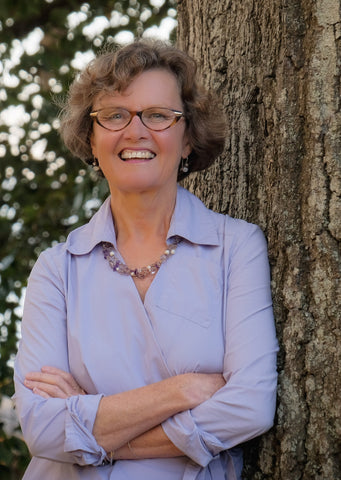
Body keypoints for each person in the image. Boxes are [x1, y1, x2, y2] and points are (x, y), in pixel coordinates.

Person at [13, 39, 279, 480]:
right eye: (115, 115)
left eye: (158, 115)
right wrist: (185, 390)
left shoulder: (237, 246)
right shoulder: (57, 269)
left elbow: (249, 408)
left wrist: (90, 426)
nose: (135, 131)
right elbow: (42, 429)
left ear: (188, 136)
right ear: (91, 139)